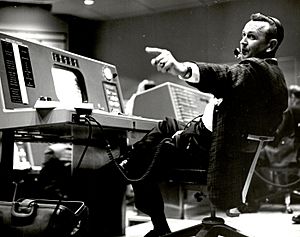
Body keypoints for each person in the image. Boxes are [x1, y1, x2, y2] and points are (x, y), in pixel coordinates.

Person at [117, 13, 288, 237]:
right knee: (167, 125)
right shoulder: (275, 75)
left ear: (270, 45)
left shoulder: (255, 70)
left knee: (142, 161)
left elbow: (225, 75)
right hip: (222, 144)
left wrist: (181, 69)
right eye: (243, 35)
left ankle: (156, 222)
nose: (243, 41)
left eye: (252, 37)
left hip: (210, 151)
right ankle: (127, 161)